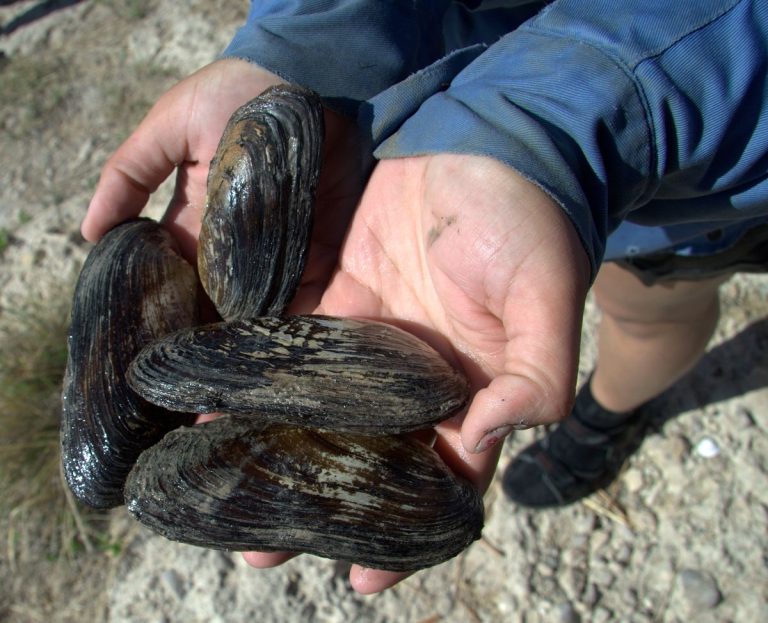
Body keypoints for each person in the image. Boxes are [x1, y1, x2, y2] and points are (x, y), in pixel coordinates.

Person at [81, 0, 768, 595]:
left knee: (653, 305)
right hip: (424, 124)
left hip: (688, 145)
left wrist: (565, 119)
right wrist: (317, 42)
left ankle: (606, 415)